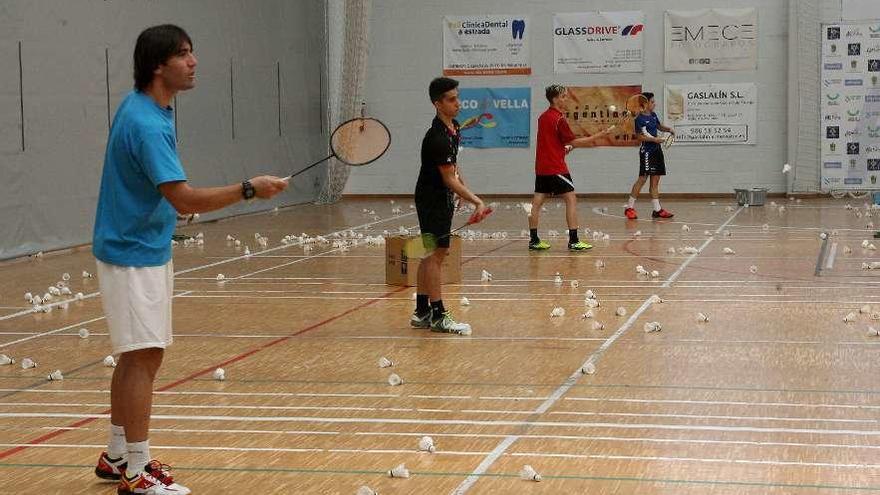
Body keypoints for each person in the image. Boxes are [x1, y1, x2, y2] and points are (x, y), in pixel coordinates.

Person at [92, 24, 287, 495]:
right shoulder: (145, 121)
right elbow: (184, 199)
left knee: (133, 356)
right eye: (183, 54)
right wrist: (248, 189)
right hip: (132, 255)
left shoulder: (148, 111)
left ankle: (118, 454)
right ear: (159, 65)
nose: (194, 61)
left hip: (139, 248)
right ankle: (137, 473)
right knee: (144, 358)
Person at [410, 77, 488, 334]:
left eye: (458, 97)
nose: (458, 104)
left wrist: (462, 189)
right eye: (452, 99)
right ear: (437, 103)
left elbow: (453, 170)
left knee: (429, 252)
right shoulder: (436, 138)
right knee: (436, 255)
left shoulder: (453, 127)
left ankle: (422, 311)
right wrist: (475, 199)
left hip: (440, 197)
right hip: (432, 199)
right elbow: (447, 178)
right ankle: (439, 315)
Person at [528, 85, 611, 251]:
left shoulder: (543, 117)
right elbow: (573, 141)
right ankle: (574, 240)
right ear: (556, 98)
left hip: (541, 167)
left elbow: (551, 142)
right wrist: (598, 136)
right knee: (571, 198)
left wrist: (564, 149)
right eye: (564, 96)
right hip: (555, 168)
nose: (566, 99)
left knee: (537, 202)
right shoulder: (560, 119)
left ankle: (534, 240)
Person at [624, 92, 675, 220]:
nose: (654, 103)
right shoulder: (639, 119)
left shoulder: (653, 115)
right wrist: (654, 140)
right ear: (645, 104)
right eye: (652, 102)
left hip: (657, 151)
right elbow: (639, 137)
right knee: (642, 179)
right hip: (647, 152)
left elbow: (659, 126)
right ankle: (629, 208)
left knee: (655, 181)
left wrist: (669, 129)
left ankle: (657, 210)